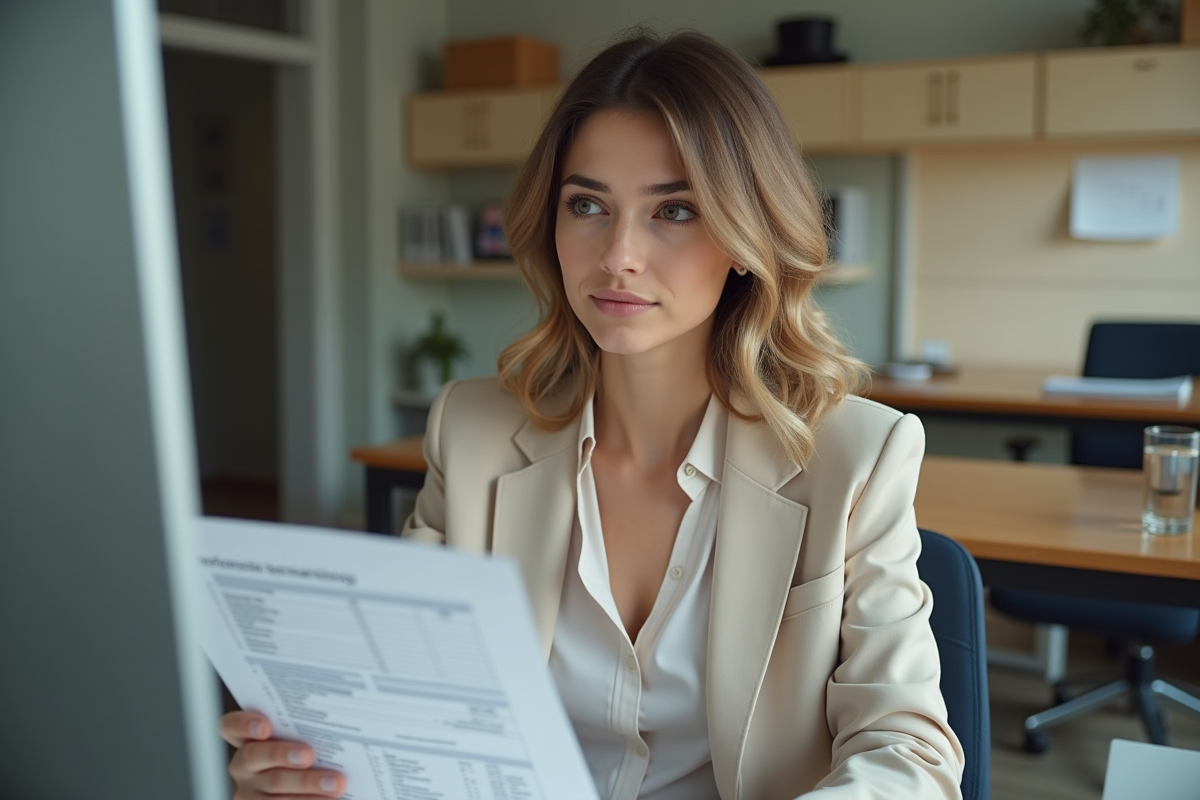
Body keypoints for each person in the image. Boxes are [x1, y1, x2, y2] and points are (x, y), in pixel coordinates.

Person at [220, 29, 965, 800]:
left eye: (674, 210)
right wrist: (305, 772)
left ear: (746, 235)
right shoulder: (472, 434)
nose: (617, 256)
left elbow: (908, 751)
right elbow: (412, 707)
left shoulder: (857, 456)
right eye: (587, 205)